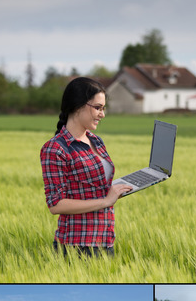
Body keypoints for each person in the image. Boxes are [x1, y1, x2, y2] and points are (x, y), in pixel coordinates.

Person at [40, 77, 132, 258]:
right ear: (77, 106)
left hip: (105, 240)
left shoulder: (95, 140)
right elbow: (56, 204)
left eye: (103, 108)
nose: (102, 114)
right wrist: (106, 201)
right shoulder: (55, 148)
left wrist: (115, 191)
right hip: (77, 246)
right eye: (97, 108)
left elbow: (93, 187)